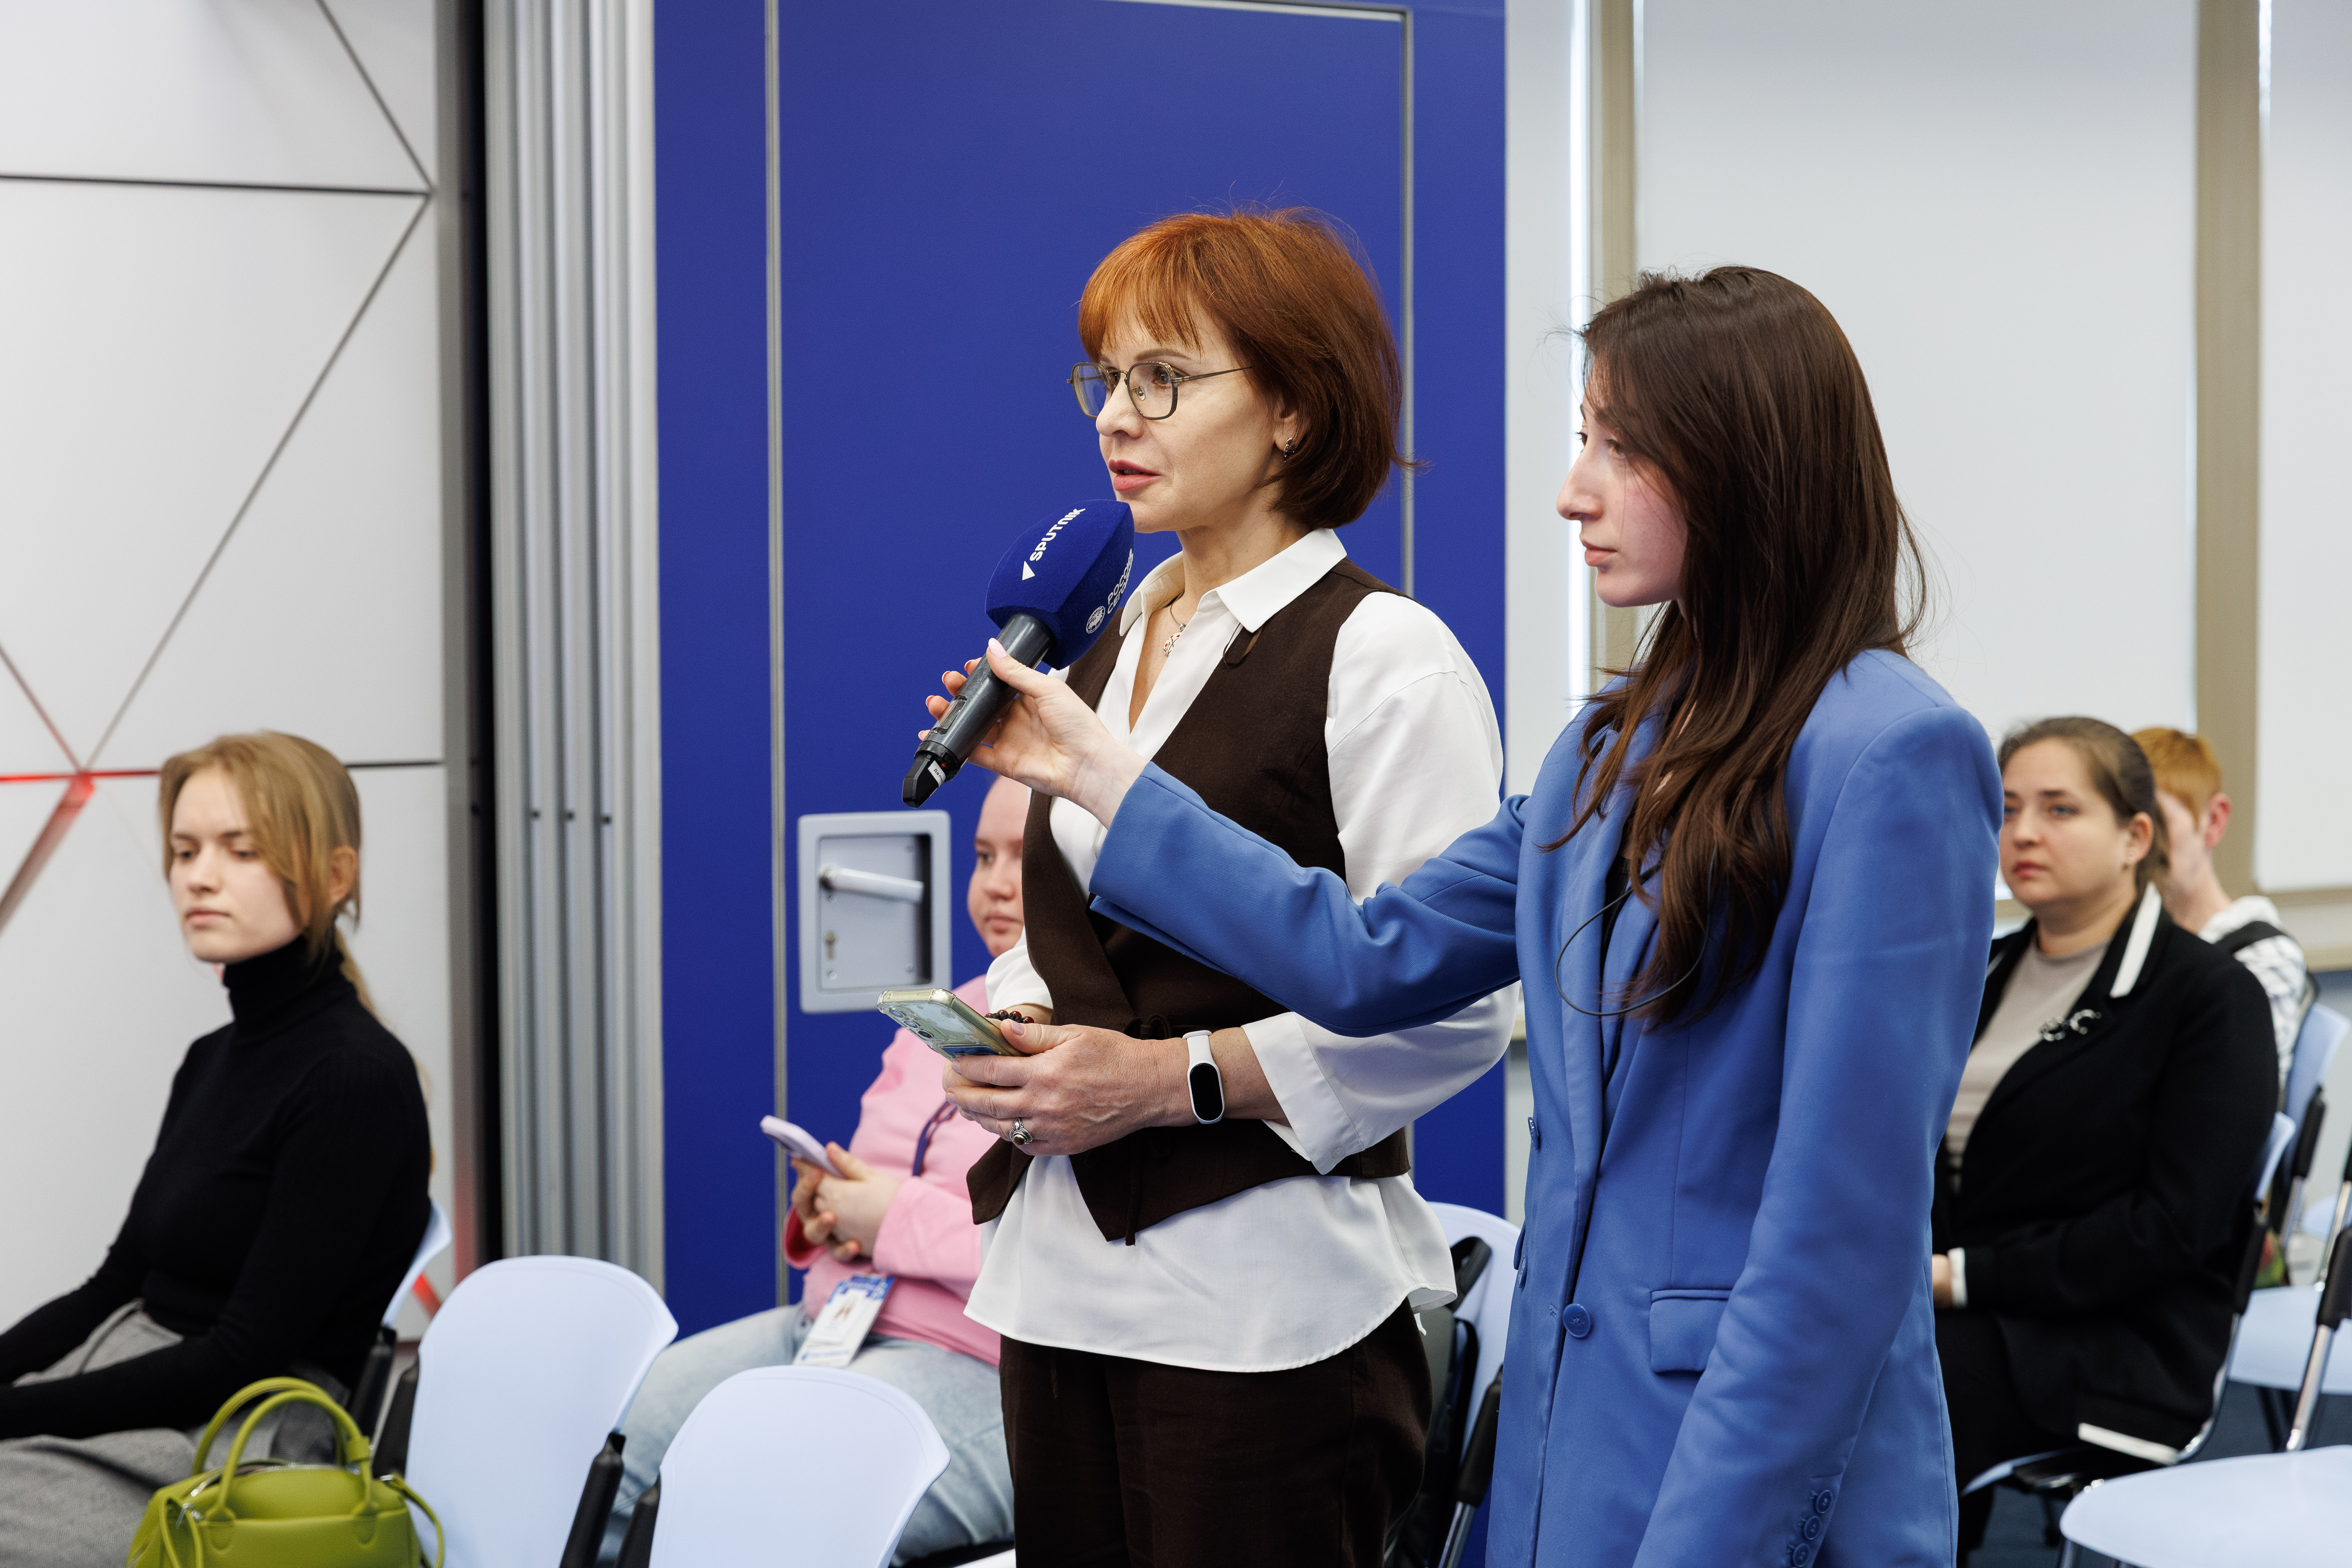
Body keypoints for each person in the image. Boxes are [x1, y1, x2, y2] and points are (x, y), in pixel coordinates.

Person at [944, 266, 2000, 1566]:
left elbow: (1839, 1246)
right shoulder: (1612, 748)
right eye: (1583, 440)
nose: (1574, 491)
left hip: (1743, 1472)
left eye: (1622, 449)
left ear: (1747, 465)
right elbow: (1364, 955)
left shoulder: (1893, 754)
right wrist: (1099, 773)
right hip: (1570, 1441)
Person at [922, 207, 1512, 1567]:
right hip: (1058, 1285)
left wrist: (1168, 1080)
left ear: (1294, 408)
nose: (1116, 416)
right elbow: (1061, 927)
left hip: (1267, 1309)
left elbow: (1452, 1010)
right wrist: (1021, 1028)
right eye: (1105, 379)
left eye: (1164, 379)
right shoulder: (1104, 640)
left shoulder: (1387, 657)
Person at [0, 733, 430, 1568]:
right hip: (140, 1388)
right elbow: (113, 1284)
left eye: (243, 850)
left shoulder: (354, 1080)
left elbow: (244, 1356)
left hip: (237, 1441)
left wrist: (16, 1412)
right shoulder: (212, 1058)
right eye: (185, 850)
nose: (199, 876)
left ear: (335, 876)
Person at [599, 772, 1032, 1564]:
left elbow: (1063, 1258)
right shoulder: (944, 1014)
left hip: (990, 1368)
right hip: (840, 1322)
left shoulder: (1104, 1047)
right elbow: (879, 1177)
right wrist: (831, 1210)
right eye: (981, 856)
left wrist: (890, 1219)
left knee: (775, 1508)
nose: (997, 884)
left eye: (1025, 858)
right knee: (608, 1443)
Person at [1931, 718, 2274, 1560]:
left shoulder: (2210, 997)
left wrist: (1962, 1276)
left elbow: (2173, 1228)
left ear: (2135, 837)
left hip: (2116, 1336)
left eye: (2059, 809)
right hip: (1970, 1305)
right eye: (2009, 808)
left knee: (1891, 1385)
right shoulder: (1985, 969)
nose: (2023, 833)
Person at [2132, 725, 2310, 1083]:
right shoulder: (2133, 938)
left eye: (2158, 823)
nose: (2139, 845)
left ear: (2213, 821)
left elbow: (2239, 1094)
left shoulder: (2261, 959)